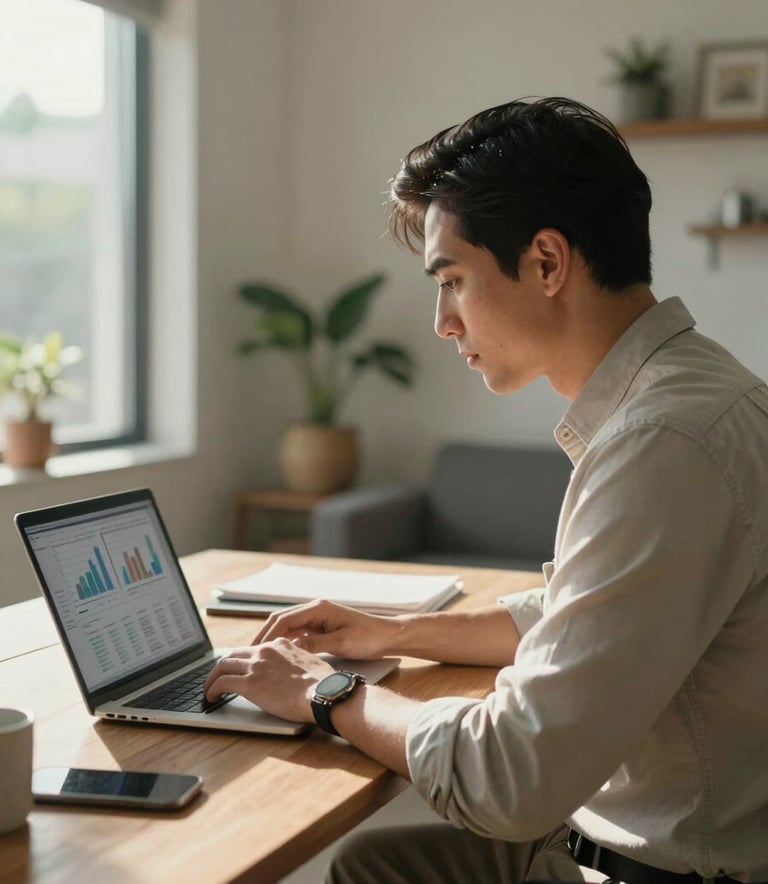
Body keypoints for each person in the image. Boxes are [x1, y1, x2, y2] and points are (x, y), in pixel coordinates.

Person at [204, 97, 768, 883]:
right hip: (629, 841)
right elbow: (591, 614)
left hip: (666, 868)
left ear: (545, 262)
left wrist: (326, 693)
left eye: (453, 280)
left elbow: (511, 778)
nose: (442, 321)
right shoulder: (694, 396)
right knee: (376, 864)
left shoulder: (663, 443)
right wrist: (390, 631)